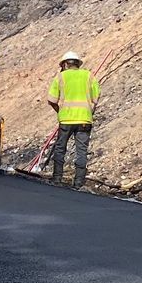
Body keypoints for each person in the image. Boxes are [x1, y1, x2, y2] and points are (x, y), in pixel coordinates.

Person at [46, 50, 101, 188]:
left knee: (60, 149)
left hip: (66, 120)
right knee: (81, 150)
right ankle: (78, 182)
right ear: (77, 64)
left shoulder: (61, 77)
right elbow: (96, 98)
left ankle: (57, 178)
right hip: (84, 120)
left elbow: (51, 100)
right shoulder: (89, 76)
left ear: (65, 64)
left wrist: (60, 111)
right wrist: (89, 110)